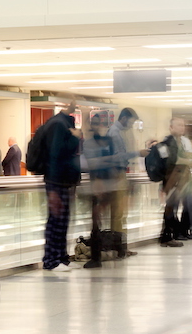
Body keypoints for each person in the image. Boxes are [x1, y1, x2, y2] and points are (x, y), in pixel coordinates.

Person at [41, 101, 82, 272]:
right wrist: (74, 137)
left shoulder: (65, 123)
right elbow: (56, 152)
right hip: (56, 181)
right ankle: (51, 260)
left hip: (64, 180)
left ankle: (61, 257)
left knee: (63, 220)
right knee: (56, 221)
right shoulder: (57, 124)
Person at [106, 107, 149, 257]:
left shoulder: (118, 133)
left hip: (119, 174)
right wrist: (138, 153)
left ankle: (121, 246)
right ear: (123, 119)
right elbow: (118, 157)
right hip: (116, 174)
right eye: (130, 122)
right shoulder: (115, 133)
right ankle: (119, 248)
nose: (131, 126)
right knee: (118, 213)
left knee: (121, 213)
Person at [82, 115, 119, 268]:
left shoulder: (106, 142)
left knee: (100, 218)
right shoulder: (90, 143)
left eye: (98, 123)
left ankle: (106, 251)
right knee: (96, 219)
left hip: (106, 183)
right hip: (99, 184)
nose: (96, 126)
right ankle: (99, 254)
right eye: (94, 123)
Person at [159, 117, 192, 247]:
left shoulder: (184, 141)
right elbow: (172, 160)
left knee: (187, 204)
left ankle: (181, 230)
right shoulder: (167, 142)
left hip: (184, 178)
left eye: (183, 125)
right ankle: (167, 235)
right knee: (171, 207)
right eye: (179, 125)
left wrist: (183, 158)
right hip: (172, 179)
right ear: (171, 128)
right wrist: (185, 160)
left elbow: (191, 156)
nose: (182, 127)